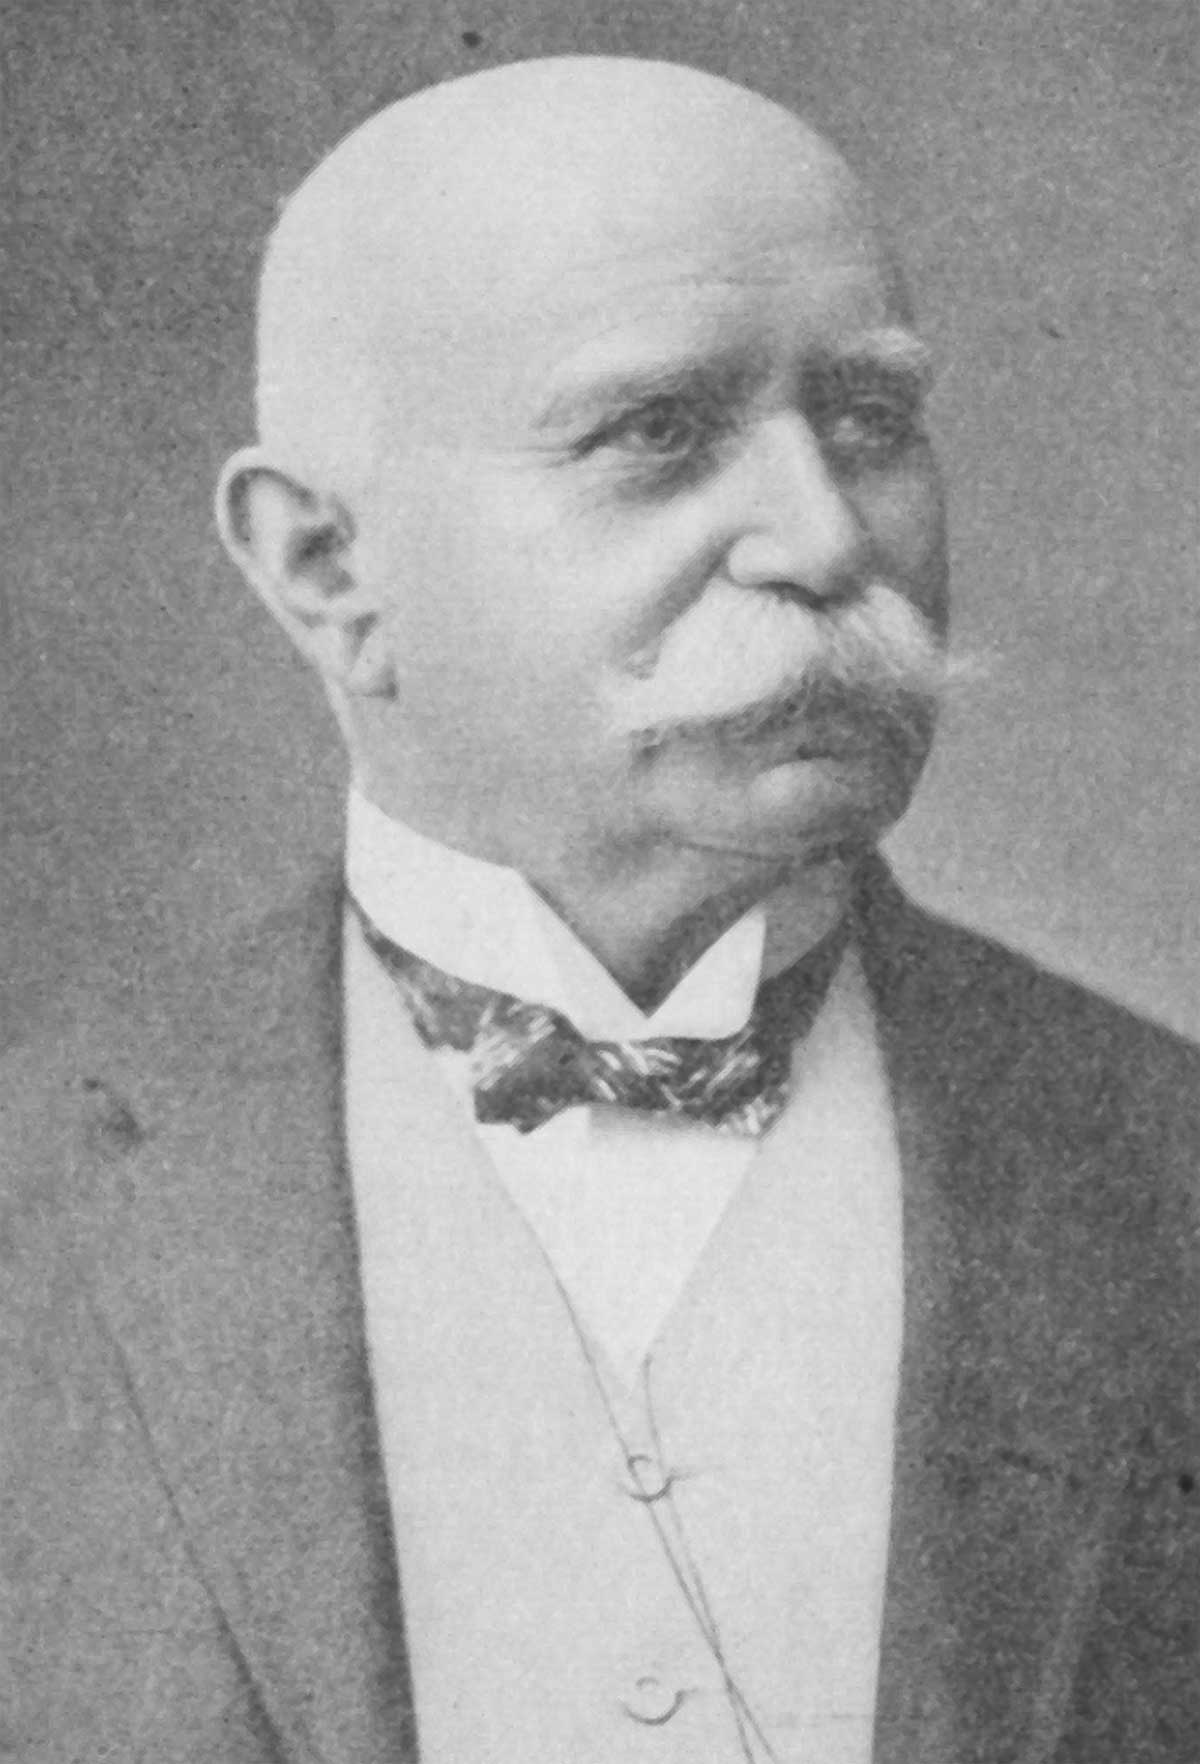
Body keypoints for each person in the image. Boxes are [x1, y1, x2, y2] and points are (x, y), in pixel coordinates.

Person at [3, 55, 1197, 1764]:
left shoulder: (1163, 1164)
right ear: (327, 570)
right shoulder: (37, 1193)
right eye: (658, 432)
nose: (822, 537)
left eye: (869, 421)